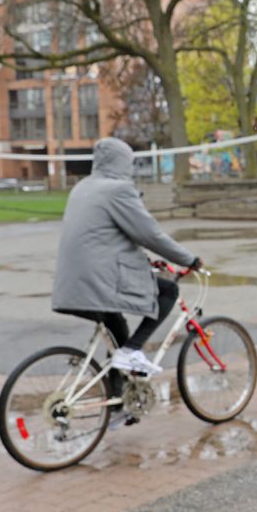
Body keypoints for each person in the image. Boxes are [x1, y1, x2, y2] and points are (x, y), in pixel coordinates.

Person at [52, 137, 201, 385]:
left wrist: (144, 262)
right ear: (122, 163)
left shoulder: (82, 188)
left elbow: (105, 238)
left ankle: (117, 402)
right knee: (168, 291)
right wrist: (189, 259)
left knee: (116, 329)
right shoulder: (117, 190)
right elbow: (149, 234)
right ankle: (133, 350)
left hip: (71, 284)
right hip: (99, 280)